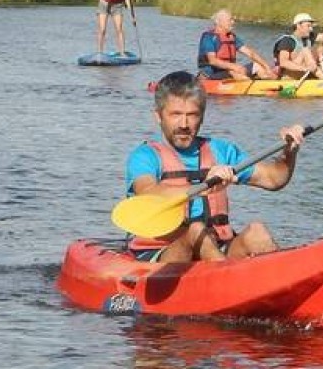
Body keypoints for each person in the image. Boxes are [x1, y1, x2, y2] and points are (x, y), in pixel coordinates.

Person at [123, 71, 306, 263]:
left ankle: (276, 285)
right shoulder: (144, 156)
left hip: (215, 247)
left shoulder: (221, 151)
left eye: (192, 115)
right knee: (195, 230)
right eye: (176, 115)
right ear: (158, 116)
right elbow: (148, 192)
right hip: (162, 253)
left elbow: (274, 179)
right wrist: (203, 187)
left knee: (257, 232)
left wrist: (289, 152)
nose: (184, 124)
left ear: (201, 117)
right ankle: (231, 284)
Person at [272, 13, 323, 79]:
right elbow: (284, 62)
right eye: (308, 26)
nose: (311, 29)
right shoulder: (286, 41)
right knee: (306, 50)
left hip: (308, 72)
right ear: (298, 25)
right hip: (291, 76)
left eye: (311, 26)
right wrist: (305, 69)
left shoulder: (310, 37)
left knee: (320, 48)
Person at [198, 9, 277, 80]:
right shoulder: (208, 38)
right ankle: (249, 85)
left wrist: (266, 67)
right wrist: (234, 67)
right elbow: (213, 61)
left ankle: (268, 83)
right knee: (234, 73)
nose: (233, 22)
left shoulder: (231, 37)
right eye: (230, 20)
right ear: (219, 22)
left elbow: (250, 53)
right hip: (210, 75)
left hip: (230, 71)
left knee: (257, 66)